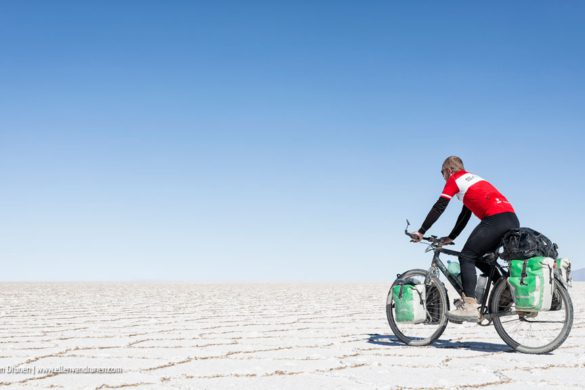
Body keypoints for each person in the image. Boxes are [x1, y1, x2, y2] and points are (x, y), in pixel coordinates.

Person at [410, 156, 520, 322]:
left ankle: (469, 305)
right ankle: (504, 289)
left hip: (495, 219)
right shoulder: (473, 179)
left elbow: (440, 206)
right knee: (480, 257)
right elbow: (465, 214)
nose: (443, 177)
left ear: (449, 170)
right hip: (511, 219)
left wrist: (421, 231)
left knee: (466, 256)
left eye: (442, 173)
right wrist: (451, 237)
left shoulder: (454, 179)